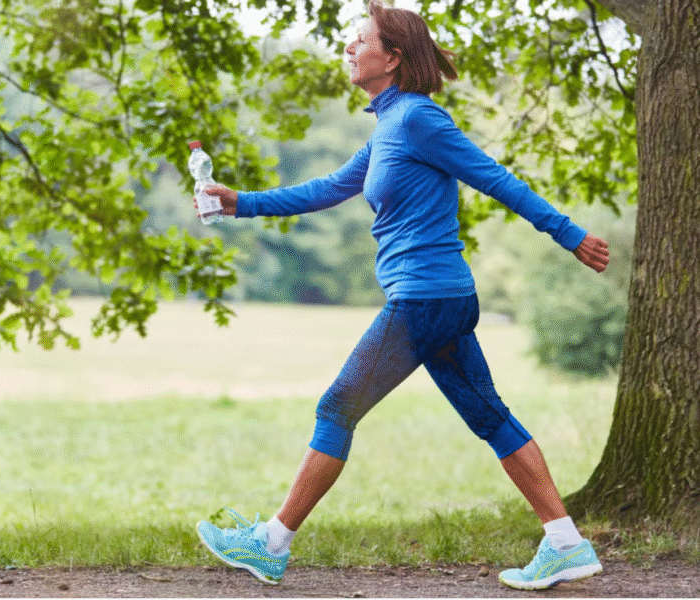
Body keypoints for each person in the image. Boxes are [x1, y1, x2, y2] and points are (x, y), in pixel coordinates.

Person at [193, 0, 611, 591]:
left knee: (337, 408)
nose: (349, 47)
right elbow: (330, 188)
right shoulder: (390, 125)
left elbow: (494, 177)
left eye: (360, 39)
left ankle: (271, 544)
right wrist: (239, 202)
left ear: (392, 57)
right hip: (439, 301)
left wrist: (568, 234)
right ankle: (566, 542)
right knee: (490, 418)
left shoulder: (419, 119)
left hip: (423, 300)